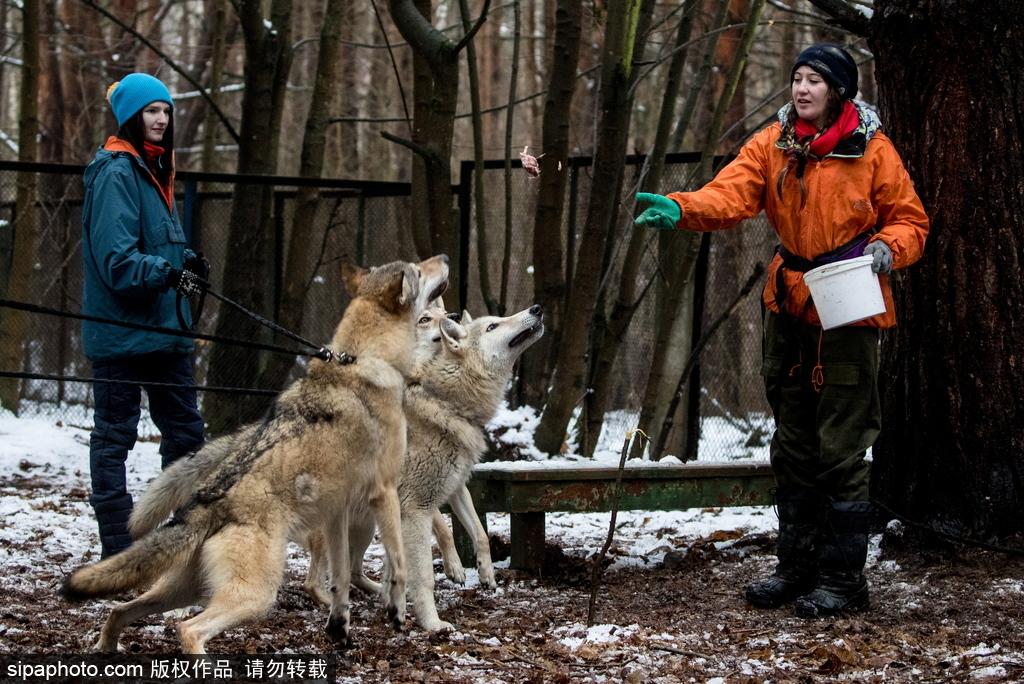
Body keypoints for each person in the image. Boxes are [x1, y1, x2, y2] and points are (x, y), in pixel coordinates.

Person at [634, 44, 929, 617]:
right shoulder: (774, 144)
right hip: (787, 303)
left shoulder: (871, 149)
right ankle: (796, 569)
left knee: (840, 447)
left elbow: (910, 220)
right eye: (797, 78)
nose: (802, 89)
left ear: (838, 91)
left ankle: (844, 581)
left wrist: (888, 251)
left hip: (849, 305)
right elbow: (730, 193)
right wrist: (680, 207)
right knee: (792, 445)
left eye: (815, 80)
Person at [81, 73, 209, 558]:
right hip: (121, 333)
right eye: (151, 111)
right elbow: (117, 261)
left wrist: (186, 262)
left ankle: (181, 538)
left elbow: (155, 246)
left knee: (186, 434)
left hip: (165, 332)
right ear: (131, 117)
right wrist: (164, 272)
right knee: (115, 436)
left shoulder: (154, 169)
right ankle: (117, 546)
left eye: (166, 111)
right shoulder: (116, 172)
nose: (160, 119)